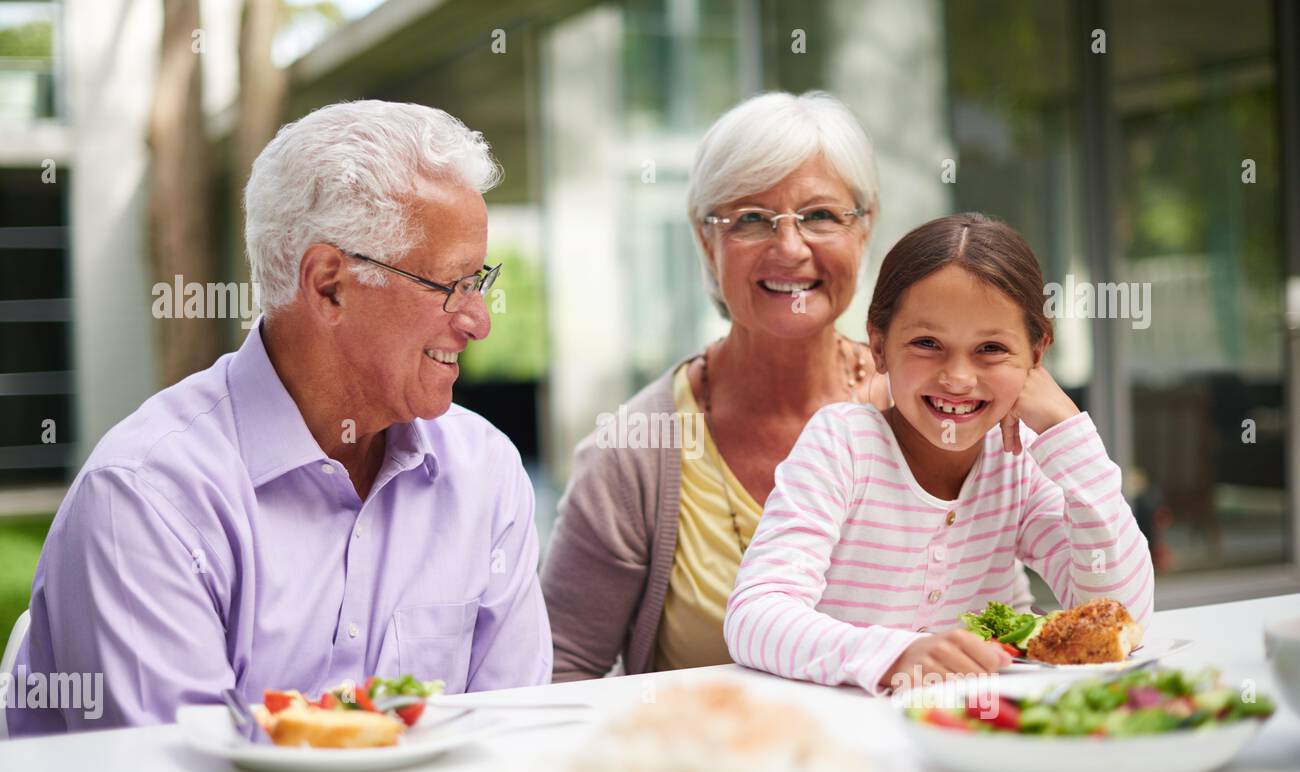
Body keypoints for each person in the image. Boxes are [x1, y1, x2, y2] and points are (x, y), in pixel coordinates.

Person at [8, 101, 551, 734]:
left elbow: (511, 743)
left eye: (480, 279)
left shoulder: (484, 472)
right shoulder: (146, 498)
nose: (478, 321)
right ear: (328, 285)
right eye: (451, 285)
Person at [544, 92, 1032, 681]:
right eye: (750, 218)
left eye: (821, 215)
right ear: (706, 241)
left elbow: (1017, 611)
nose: (790, 248)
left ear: (864, 228)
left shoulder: (952, 403)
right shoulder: (633, 454)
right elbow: (561, 671)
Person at [724, 212, 1154, 693]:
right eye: (927, 343)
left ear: (1036, 357)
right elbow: (754, 617)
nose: (958, 378)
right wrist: (895, 656)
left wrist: (1069, 433)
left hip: (985, 729)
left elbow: (1123, 619)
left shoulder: (1023, 460)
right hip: (851, 736)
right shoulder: (842, 444)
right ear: (880, 345)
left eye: (991, 348)